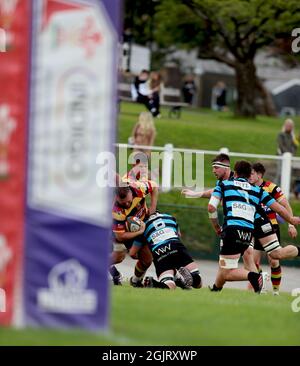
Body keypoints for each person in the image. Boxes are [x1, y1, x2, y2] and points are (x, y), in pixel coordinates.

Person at [208, 160, 300, 293]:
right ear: (248, 174)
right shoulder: (258, 190)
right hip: (250, 231)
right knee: (272, 253)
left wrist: (216, 226)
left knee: (226, 272)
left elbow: (211, 206)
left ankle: (256, 277)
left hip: (233, 230)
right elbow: (279, 209)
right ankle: (217, 289)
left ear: (236, 172)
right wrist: (291, 219)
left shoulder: (224, 185)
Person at [182, 154, 258, 276]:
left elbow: (213, 203)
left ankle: (252, 279)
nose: (213, 170)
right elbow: (216, 192)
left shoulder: (237, 178)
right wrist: (195, 194)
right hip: (237, 222)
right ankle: (257, 282)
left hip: (243, 221)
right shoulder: (222, 182)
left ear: (226, 167)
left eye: (216, 167)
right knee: (246, 255)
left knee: (246, 255)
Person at [249, 162, 298, 294]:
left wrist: (291, 224)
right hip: (254, 226)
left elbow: (286, 206)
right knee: (253, 261)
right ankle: (260, 288)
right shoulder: (247, 187)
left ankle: (275, 292)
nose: (249, 176)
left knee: (274, 260)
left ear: (259, 175)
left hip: (271, 226)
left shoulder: (271, 187)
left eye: (252, 173)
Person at [129, 212, 202, 290]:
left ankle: (154, 283)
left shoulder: (142, 227)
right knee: (199, 284)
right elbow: (179, 235)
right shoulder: (170, 217)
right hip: (175, 245)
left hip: (158, 251)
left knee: (169, 285)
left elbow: (132, 253)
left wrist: (145, 255)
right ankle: (190, 278)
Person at [110, 180, 158, 286]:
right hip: (122, 231)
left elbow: (154, 186)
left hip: (142, 224)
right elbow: (121, 236)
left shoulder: (139, 188)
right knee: (119, 257)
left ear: (131, 192)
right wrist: (140, 231)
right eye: (123, 203)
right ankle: (95, 264)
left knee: (147, 260)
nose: (127, 204)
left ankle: (135, 281)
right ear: (116, 198)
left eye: (129, 201)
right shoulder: (117, 211)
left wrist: (153, 207)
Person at [275, 118, 299, 184]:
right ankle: (274, 190)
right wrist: (287, 154)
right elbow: (281, 145)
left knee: (289, 174)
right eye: (287, 125)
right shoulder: (281, 134)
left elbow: (295, 146)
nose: (289, 127)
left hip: (290, 158)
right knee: (279, 173)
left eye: (290, 126)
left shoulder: (293, 136)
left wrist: (292, 154)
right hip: (281, 156)